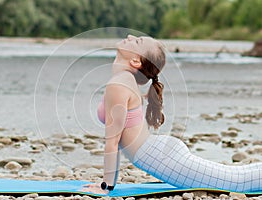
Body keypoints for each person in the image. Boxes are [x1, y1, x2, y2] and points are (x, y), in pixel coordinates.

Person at [82, 34, 262, 194]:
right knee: (234, 176)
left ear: (136, 61)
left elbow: (112, 142)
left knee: (236, 182)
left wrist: (106, 186)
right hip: (158, 153)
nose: (129, 36)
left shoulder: (119, 84)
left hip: (161, 157)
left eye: (137, 41)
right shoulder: (123, 81)